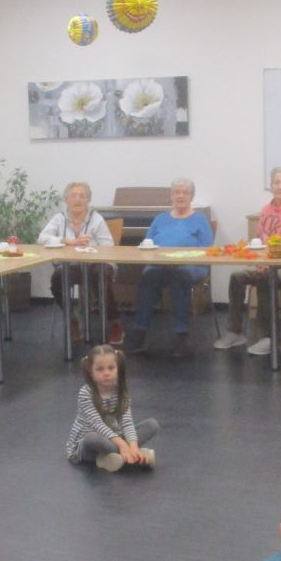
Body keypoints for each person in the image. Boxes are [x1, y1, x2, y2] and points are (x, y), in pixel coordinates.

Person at [217, 167, 281, 356]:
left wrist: (269, 264)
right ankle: (235, 331)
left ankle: (269, 338)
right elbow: (259, 241)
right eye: (276, 182)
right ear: (271, 187)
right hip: (268, 264)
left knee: (266, 276)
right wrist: (259, 259)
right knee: (237, 276)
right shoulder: (266, 210)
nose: (280, 186)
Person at [126, 178, 214, 356]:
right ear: (171, 196)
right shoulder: (160, 218)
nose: (180, 196)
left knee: (179, 277)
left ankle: (181, 336)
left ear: (192, 196)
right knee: (148, 278)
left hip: (190, 266)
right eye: (176, 192)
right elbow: (147, 243)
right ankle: (139, 332)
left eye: (185, 192)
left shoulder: (200, 220)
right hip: (159, 265)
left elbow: (208, 250)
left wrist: (182, 258)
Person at [39, 182, 121, 345]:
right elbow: (42, 238)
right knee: (58, 278)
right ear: (66, 199)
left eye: (82, 196)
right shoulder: (59, 218)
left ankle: (114, 323)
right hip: (72, 265)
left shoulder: (96, 219)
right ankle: (72, 319)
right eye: (73, 195)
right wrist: (69, 242)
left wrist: (89, 249)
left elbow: (108, 247)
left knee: (100, 275)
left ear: (88, 199)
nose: (77, 199)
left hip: (97, 264)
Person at [66, 344, 158, 472]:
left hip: (114, 438)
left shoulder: (121, 391)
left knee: (152, 424)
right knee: (92, 438)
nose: (106, 373)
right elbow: (97, 424)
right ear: (91, 372)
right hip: (87, 446)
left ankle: (119, 457)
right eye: (100, 369)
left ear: (117, 369)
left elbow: (126, 422)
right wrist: (122, 445)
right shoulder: (86, 393)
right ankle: (131, 457)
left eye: (111, 368)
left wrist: (133, 446)